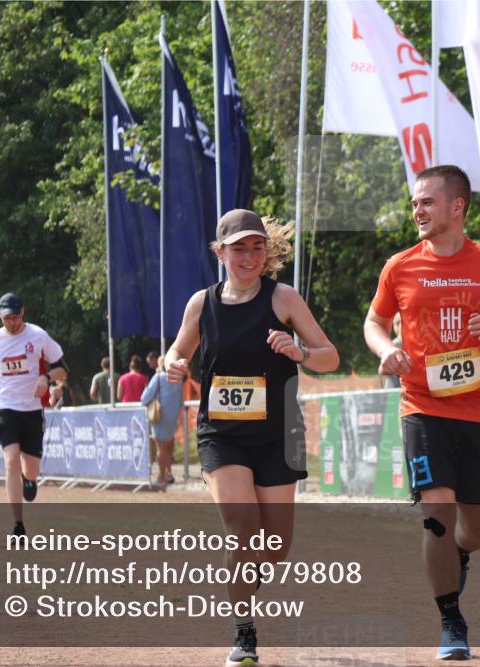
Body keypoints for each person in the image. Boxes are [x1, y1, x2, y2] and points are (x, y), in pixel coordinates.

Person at [363, 165, 480, 660]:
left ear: (457, 207)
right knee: (437, 513)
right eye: (414, 203)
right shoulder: (400, 266)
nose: (416, 210)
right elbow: (376, 320)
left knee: (476, 530)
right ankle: (451, 619)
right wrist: (383, 351)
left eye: (426, 202)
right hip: (422, 407)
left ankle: (459, 553)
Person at [165, 208, 339, 667]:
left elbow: (330, 356)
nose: (249, 256)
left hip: (279, 433)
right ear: (220, 253)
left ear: (267, 250)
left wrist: (299, 351)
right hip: (223, 436)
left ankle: (240, 582)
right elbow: (177, 351)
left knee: (275, 546)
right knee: (244, 528)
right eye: (238, 248)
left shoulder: (283, 298)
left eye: (256, 246)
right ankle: (244, 632)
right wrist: (172, 364)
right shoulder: (202, 304)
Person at [0, 293, 67, 538]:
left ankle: (29, 479)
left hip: (32, 410)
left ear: (22, 312)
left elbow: (62, 368)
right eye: (7, 318)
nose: (12, 322)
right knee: (11, 459)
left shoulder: (38, 336)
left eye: (15, 317)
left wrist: (45, 377)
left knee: (32, 469)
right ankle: (18, 525)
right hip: (5, 407)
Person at [140, 357, 183, 486]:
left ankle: (162, 476)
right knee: (169, 446)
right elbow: (181, 399)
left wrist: (146, 388)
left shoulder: (158, 377)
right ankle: (169, 473)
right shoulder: (178, 379)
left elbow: (144, 398)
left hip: (160, 415)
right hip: (173, 415)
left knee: (161, 448)